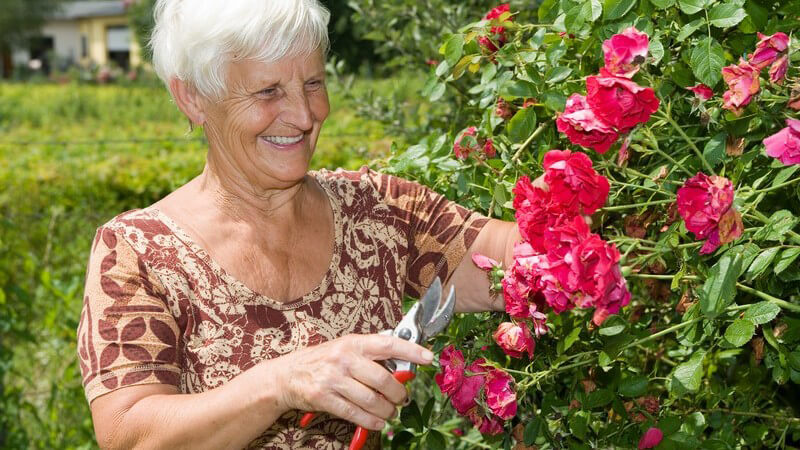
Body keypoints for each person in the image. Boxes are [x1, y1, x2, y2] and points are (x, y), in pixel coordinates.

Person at [75, 1, 527, 448]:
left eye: (313, 83)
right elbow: (129, 435)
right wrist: (281, 383)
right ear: (193, 98)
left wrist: (579, 196)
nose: (305, 115)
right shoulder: (139, 251)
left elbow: (515, 259)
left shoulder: (379, 212)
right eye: (268, 91)